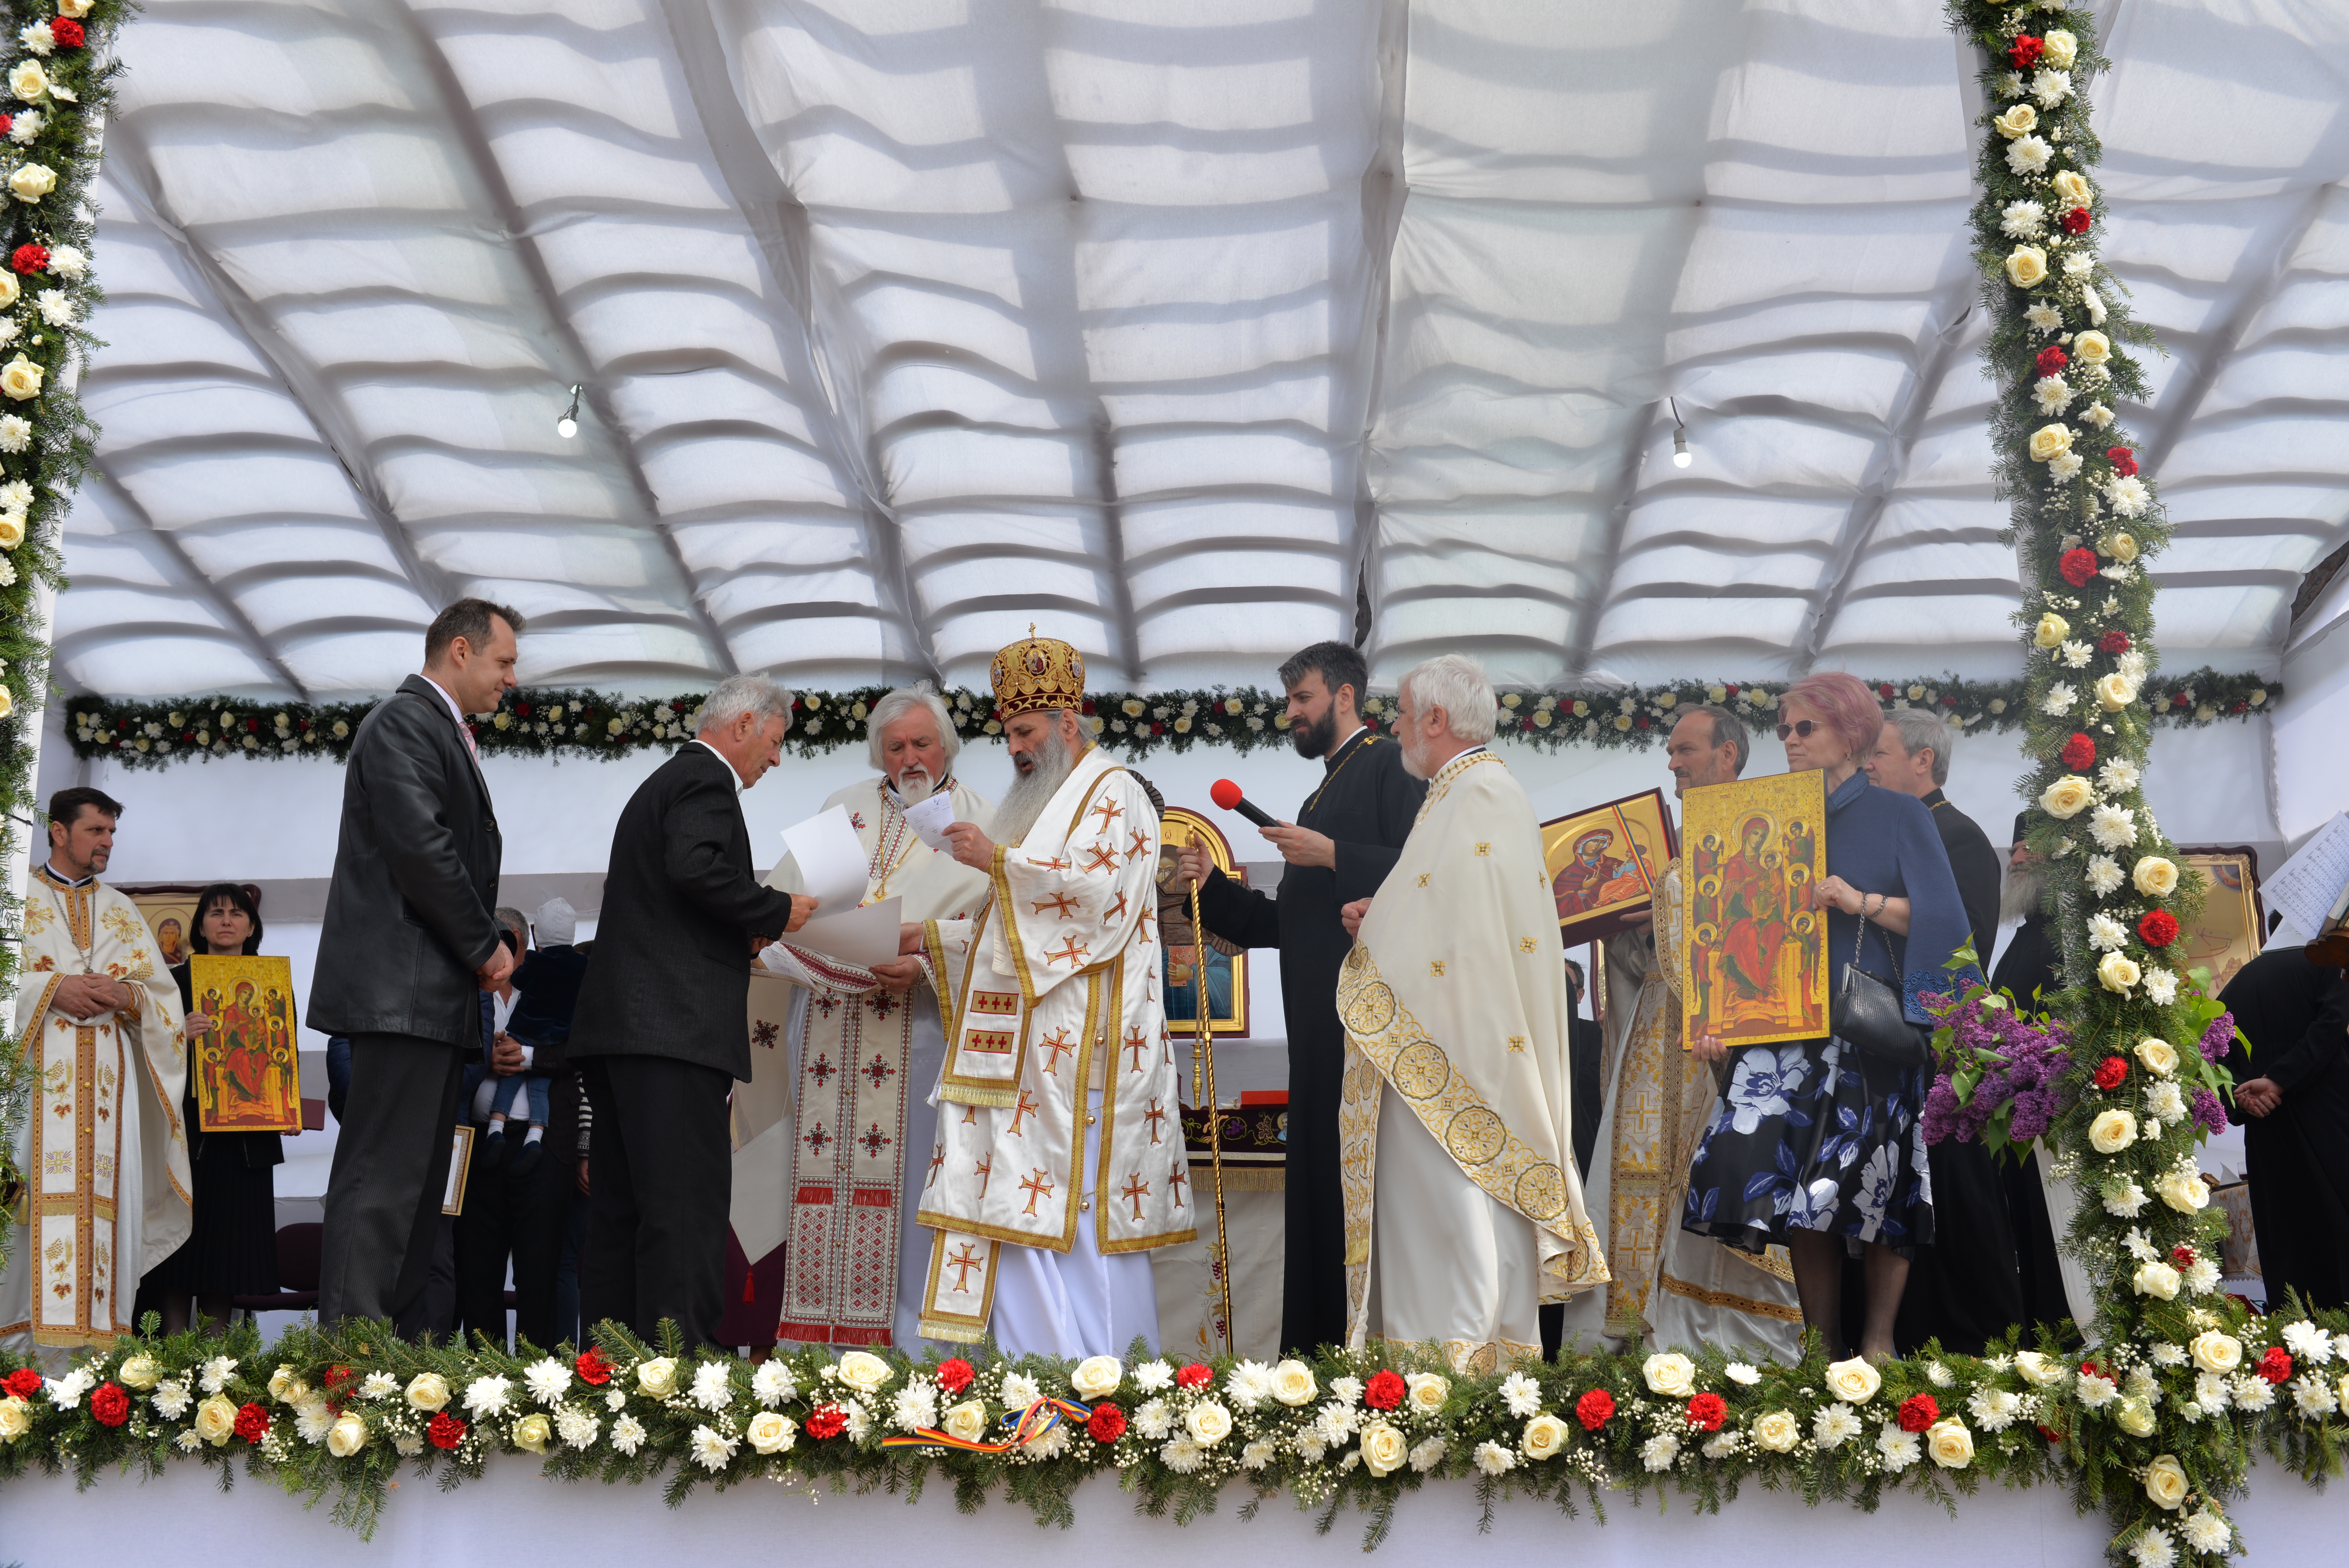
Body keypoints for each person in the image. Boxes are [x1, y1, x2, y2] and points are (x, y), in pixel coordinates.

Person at [909, 629, 1190, 1356]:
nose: (1015, 748)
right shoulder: (1047, 801)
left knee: (1077, 1234)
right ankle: (1033, 1380)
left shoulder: (1114, 791)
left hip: (1086, 1064)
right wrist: (931, 945)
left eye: (1025, 731)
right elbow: (1010, 935)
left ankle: (1097, 1386)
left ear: (1068, 724)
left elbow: (1100, 902)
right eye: (1006, 735)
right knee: (1013, 1218)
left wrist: (998, 859)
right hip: (1024, 1062)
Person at [1683, 671, 1978, 1363]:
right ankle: (1821, 1347)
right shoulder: (1755, 813)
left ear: (1849, 730)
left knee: (1879, 1191)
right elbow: (1730, 928)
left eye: (1803, 728)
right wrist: (1720, 1016)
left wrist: (1861, 901)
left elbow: (1946, 921)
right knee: (1799, 1197)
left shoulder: (1900, 814)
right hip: (1782, 1030)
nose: (1787, 739)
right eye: (1784, 728)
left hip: (1866, 1028)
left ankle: (1877, 1344)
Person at [1333, 654, 1606, 1372]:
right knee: (1443, 1219)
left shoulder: (1479, 792)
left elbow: (1466, 940)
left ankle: (1453, 1372)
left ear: (1435, 719)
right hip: (1455, 1038)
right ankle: (1436, 1372)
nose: (1392, 729)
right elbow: (1451, 915)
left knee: (1455, 1215)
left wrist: (1377, 933)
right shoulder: (1465, 793)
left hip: (1458, 1056)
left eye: (1399, 714)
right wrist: (1384, 916)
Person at [1176, 639, 1424, 1355]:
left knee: (1353, 1194)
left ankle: (1362, 1353)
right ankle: (1317, 1357)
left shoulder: (1387, 766)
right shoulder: (1325, 786)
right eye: (1289, 702)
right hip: (1319, 1030)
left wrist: (1336, 856)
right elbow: (1292, 924)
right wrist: (1213, 891)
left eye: (1302, 699)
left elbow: (1430, 871)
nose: (1291, 714)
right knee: (1319, 1194)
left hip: (1368, 1029)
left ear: (1344, 697)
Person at [569, 676, 811, 1350]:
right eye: (775, 739)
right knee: (684, 1210)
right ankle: (683, 1377)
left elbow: (676, 894)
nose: (777, 757)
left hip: (624, 1032)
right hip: (672, 1034)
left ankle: (612, 1369)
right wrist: (774, 910)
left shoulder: (663, 784)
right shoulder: (705, 783)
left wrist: (740, 929)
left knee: (623, 1213)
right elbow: (696, 866)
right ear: (741, 726)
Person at [1553, 706, 1802, 1359]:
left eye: (1684, 749)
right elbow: (1646, 960)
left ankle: (1715, 1344)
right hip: (1655, 1033)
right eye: (1670, 751)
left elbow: (1760, 940)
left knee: (1709, 1177)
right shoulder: (1664, 848)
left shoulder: (1771, 832)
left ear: (1727, 756)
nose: (1672, 763)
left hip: (1726, 1044)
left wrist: (1663, 894)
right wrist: (1618, 924)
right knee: (1633, 1176)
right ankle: (1625, 1334)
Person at [752, 683, 996, 1349]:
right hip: (830, 1029)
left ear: (947, 745)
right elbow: (787, 912)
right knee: (823, 1184)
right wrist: (832, 945)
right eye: (895, 746)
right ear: (878, 753)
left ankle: (920, 1351)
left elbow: (1000, 937)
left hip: (921, 1030)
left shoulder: (985, 825)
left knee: (919, 1186)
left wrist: (925, 961)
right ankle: (827, 1348)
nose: (910, 757)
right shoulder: (845, 809)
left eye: (922, 743)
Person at [312, 598, 522, 1333]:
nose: (510, 679)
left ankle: (392, 1345)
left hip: (428, 998)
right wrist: (486, 943)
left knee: (420, 1185)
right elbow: (422, 851)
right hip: (399, 992)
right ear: (459, 651)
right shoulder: (404, 722)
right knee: (382, 1177)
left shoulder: (436, 729)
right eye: (503, 662)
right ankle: (349, 1348)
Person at [3, 788, 192, 1366]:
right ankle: (18, 1368)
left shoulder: (120, 909)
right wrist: (50, 987)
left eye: (112, 832)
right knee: (22, 1210)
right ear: (58, 831)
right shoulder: (16, 901)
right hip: (34, 1094)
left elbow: (162, 1002)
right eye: (96, 831)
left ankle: (97, 1370)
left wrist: (127, 995)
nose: (108, 842)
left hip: (111, 1103)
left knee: (103, 1217)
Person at [1868, 708, 2016, 1356]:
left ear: (1923, 760)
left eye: (1878, 751)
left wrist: (1868, 904)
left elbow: (1964, 943)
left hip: (1941, 1052)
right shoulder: (1890, 832)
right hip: (1886, 1047)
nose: (1867, 762)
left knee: (1953, 1200)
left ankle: (1976, 1344)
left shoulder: (1957, 836)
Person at [143, 884, 282, 1335]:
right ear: (199, 925)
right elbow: (141, 1053)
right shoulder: (172, 982)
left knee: (228, 1253)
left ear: (252, 925)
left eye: (237, 913)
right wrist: (176, 1034)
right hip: (187, 1137)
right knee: (179, 1249)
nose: (226, 920)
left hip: (246, 1141)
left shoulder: (270, 984)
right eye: (216, 912)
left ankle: (214, 1364)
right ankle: (173, 1358)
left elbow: (281, 1053)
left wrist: (285, 1101)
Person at [2220, 949, 2349, 1315]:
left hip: (2267, 1127)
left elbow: (2213, 1060)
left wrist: (2245, 1096)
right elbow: (2332, 1023)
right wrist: (2279, 1080)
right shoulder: (2332, 964)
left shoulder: (2237, 984)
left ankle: (2299, 1340)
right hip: (2329, 1110)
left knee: (2288, 1236)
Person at [1986, 820, 2076, 1336]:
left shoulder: (2067, 935)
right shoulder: (2025, 936)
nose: (2016, 857)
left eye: (2028, 847)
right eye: (2015, 846)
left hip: (2056, 1118)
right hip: (2021, 1121)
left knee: (2056, 1233)